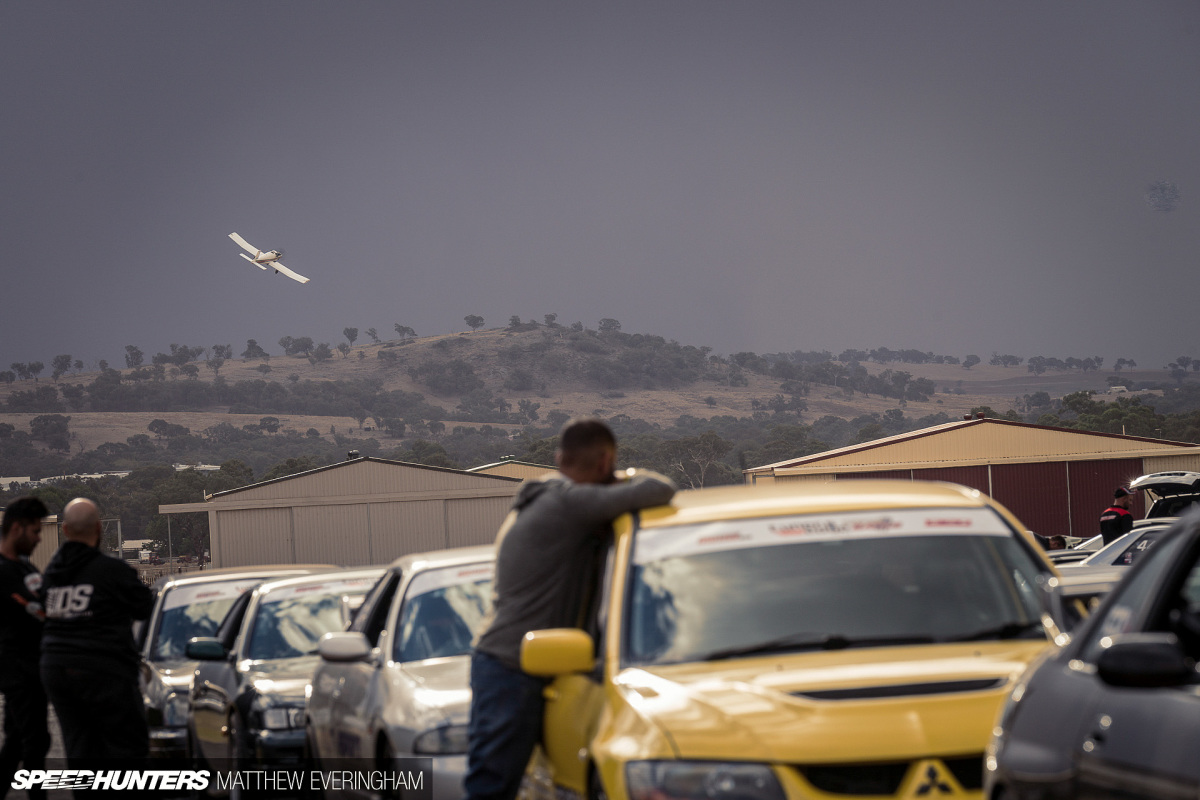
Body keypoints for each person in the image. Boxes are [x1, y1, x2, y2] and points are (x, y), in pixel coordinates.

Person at [465, 419, 676, 800]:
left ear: (559, 458)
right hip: (511, 668)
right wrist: (624, 476)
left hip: (513, 664)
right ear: (604, 461)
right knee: (491, 787)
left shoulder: (550, 497)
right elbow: (659, 489)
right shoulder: (568, 502)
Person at [40, 497, 155, 761]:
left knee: (79, 744)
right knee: (128, 745)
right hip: (102, 668)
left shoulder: (51, 576)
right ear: (99, 528)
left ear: (65, 530)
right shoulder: (111, 571)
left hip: (56, 669)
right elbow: (144, 607)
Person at [0, 497, 50, 800]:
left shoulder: (25, 566)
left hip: (33, 669)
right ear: (17, 528)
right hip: (18, 671)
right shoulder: (4, 572)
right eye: (34, 531)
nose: (38, 538)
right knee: (36, 741)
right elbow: (40, 610)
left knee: (17, 742)